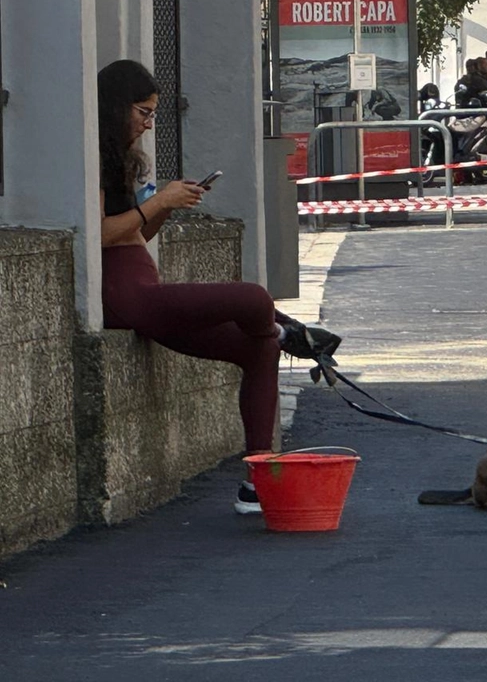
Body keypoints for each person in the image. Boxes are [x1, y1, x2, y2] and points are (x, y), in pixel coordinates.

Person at [96, 59, 342, 515]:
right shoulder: (90, 156)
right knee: (254, 298)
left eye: (154, 115)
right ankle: (284, 331)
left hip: (143, 287)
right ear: (116, 108)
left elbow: (135, 235)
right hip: (126, 297)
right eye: (143, 113)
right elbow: (101, 235)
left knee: (258, 349)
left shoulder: (123, 158)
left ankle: (257, 480)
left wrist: (169, 205)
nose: (149, 125)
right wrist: (160, 202)